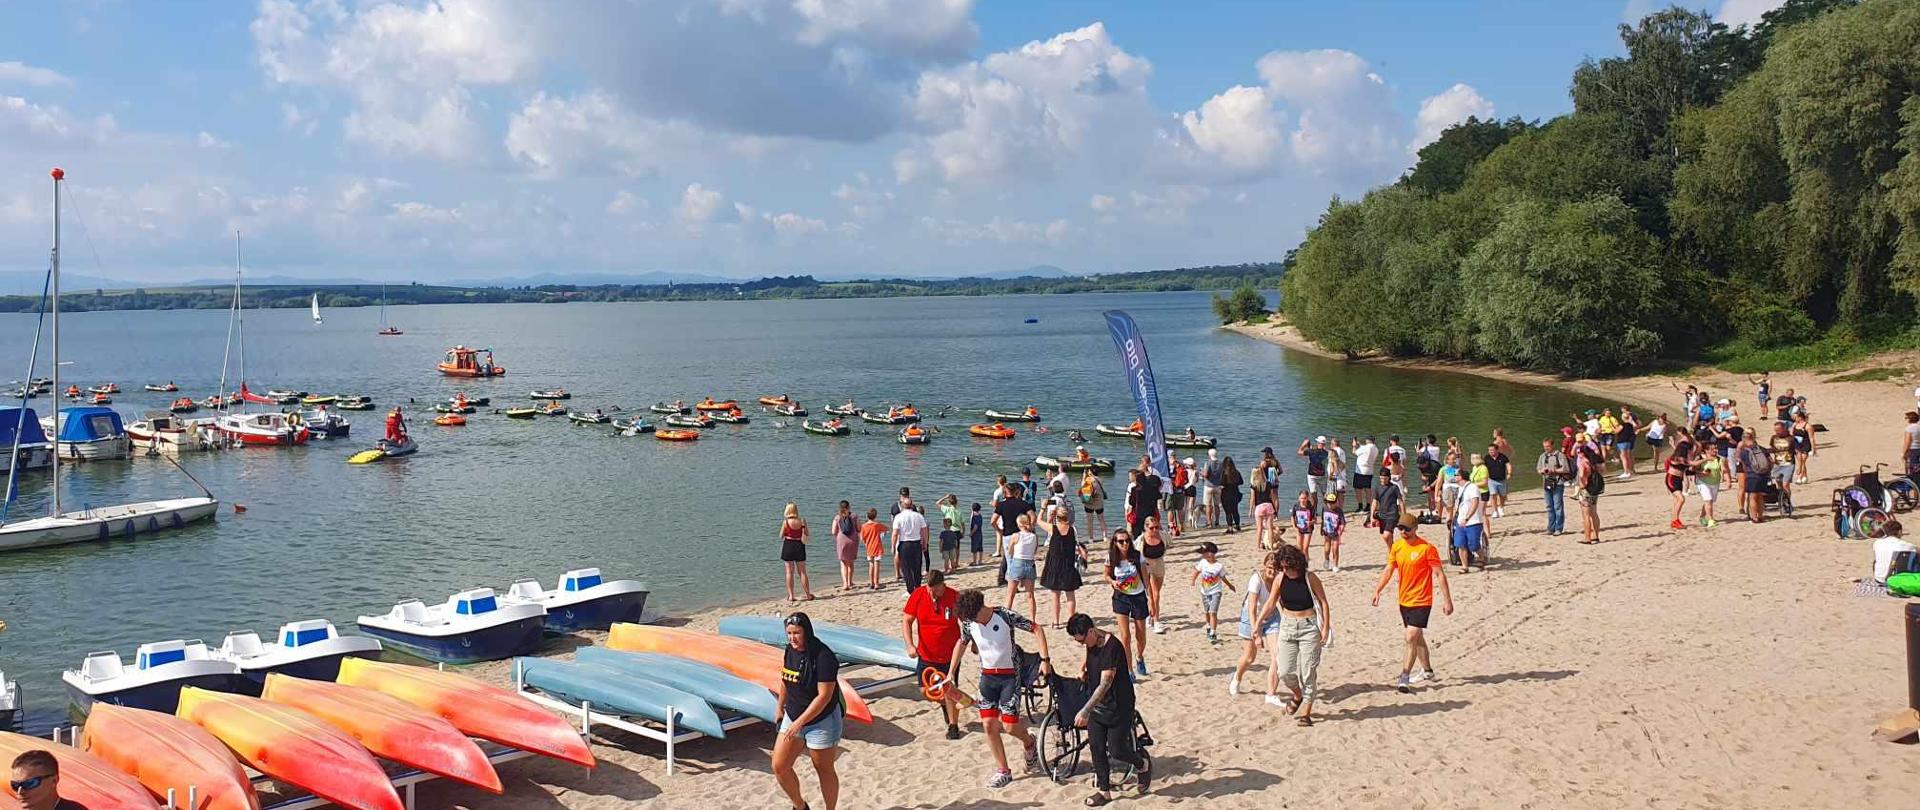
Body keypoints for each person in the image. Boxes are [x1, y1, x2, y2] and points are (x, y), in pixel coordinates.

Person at [946, 589, 1051, 789]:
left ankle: (1029, 742)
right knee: (988, 725)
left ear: (979, 610)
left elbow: (1037, 629)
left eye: (971, 618)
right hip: (987, 677)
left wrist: (1045, 660)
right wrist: (951, 672)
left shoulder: (1004, 615)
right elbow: (962, 643)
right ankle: (1003, 770)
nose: (970, 622)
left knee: (1010, 726)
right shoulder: (969, 623)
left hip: (1010, 677)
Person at [1066, 613, 1150, 806]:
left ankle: (1142, 764)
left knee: (1117, 749)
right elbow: (1090, 656)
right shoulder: (1091, 641)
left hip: (1119, 706)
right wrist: (1083, 668)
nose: (1082, 644)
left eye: (1082, 640)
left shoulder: (1112, 647)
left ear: (1091, 631)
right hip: (1099, 706)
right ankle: (1104, 792)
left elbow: (1105, 684)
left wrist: (1085, 711)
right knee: (1096, 747)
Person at [1371, 518, 1454, 692]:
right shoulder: (1397, 547)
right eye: (1400, 528)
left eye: (1407, 529)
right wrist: (1378, 590)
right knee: (1417, 638)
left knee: (1410, 638)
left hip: (1422, 600)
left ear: (1415, 528)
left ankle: (1404, 676)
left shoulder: (1427, 548)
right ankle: (1428, 670)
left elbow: (1439, 574)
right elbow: (1389, 569)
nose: (1403, 532)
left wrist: (1447, 600)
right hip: (1404, 600)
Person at [773, 613, 844, 810]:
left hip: (822, 721)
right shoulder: (790, 650)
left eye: (797, 633)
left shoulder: (824, 657)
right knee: (779, 766)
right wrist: (780, 707)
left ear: (806, 632)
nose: (792, 638)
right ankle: (800, 806)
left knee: (823, 769)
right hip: (794, 715)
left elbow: (824, 696)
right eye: (789, 633)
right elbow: (786, 678)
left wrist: (800, 722)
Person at [1255, 544, 1331, 725]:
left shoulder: (1310, 577)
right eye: (1283, 567)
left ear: (1297, 564)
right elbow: (1271, 603)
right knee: (1285, 671)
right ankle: (1298, 695)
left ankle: (1306, 712)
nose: (1287, 571)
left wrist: (1326, 627)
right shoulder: (1280, 578)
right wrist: (1257, 624)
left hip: (1309, 627)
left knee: (1307, 672)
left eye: (1289, 567)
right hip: (1288, 626)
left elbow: (1323, 602)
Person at [902, 571, 964, 740]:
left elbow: (966, 622)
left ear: (942, 585)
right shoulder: (918, 595)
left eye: (935, 591)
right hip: (926, 653)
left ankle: (953, 726)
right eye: (930, 591)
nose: (932, 594)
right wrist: (909, 644)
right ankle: (944, 703)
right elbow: (907, 621)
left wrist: (973, 644)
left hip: (950, 654)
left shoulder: (953, 596)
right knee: (925, 690)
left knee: (949, 688)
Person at [1228, 551, 1281, 697]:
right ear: (1265, 566)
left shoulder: (1280, 579)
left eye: (1276, 568)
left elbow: (1283, 601)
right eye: (1270, 567)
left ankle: (1271, 694)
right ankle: (1236, 677)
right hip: (1251, 616)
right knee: (1250, 657)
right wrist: (1256, 632)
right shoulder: (1256, 579)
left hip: (1271, 616)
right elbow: (1251, 608)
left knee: (1277, 655)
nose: (1272, 571)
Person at [1106, 530, 1150, 677]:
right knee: (1125, 636)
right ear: (1115, 543)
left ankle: (1139, 657)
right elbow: (1106, 574)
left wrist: (1151, 599)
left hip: (1138, 597)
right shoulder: (1111, 558)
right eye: (1121, 541)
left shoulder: (1137, 556)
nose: (1125, 544)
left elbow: (1146, 578)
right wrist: (1112, 582)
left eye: (1127, 541)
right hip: (1121, 598)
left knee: (1141, 635)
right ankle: (1129, 670)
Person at [1040, 506, 1085, 628]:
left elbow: (1038, 521)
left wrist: (1043, 508)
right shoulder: (1072, 529)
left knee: (1055, 595)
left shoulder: (1053, 528)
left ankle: (1056, 621)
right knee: (1070, 595)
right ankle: (1072, 620)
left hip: (1055, 565)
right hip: (1068, 565)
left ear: (1057, 517)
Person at [1190, 541, 1232, 644]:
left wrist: (1230, 585)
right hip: (1204, 592)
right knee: (1207, 611)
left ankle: (1213, 632)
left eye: (1203, 553)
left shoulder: (1219, 566)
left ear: (1210, 553)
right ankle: (1208, 625)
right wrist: (1193, 580)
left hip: (1216, 591)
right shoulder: (1202, 563)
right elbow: (1196, 572)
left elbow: (1223, 577)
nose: (1202, 555)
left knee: (1213, 612)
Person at [1003, 512, 1041, 618]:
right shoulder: (1034, 536)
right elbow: (1034, 551)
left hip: (1018, 563)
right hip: (1030, 564)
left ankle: (1006, 616)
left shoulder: (1016, 536)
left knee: (1010, 594)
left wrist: (1011, 548)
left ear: (1019, 524)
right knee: (1030, 595)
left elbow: (1010, 551)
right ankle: (1033, 619)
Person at [1451, 467, 1487, 572]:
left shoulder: (1472, 488)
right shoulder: (1460, 489)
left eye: (1456, 475)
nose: (1454, 477)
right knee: (1460, 544)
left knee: (1474, 545)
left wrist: (1467, 517)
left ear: (1461, 477)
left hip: (1473, 521)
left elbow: (1474, 503)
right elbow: (1458, 505)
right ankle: (1464, 566)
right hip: (1460, 521)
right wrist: (1454, 518)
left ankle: (1481, 557)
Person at [893, 499, 930, 593]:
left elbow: (895, 533)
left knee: (906, 568)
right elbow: (924, 530)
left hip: (904, 543)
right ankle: (917, 587)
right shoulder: (918, 516)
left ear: (902, 505)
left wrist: (893, 546)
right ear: (911, 505)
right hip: (916, 543)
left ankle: (910, 589)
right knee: (917, 567)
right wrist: (925, 542)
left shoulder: (898, 517)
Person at [779, 503, 815, 602]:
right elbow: (807, 533)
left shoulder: (785, 522)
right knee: (802, 572)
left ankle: (791, 596)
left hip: (788, 545)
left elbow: (781, 536)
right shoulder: (802, 521)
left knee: (789, 572)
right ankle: (808, 594)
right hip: (799, 545)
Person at [1537, 437, 1571, 537]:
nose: (1546, 448)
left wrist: (1553, 471)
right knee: (1549, 507)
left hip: (1558, 483)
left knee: (1558, 506)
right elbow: (1538, 469)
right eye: (1544, 447)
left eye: (1548, 446)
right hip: (1547, 483)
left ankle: (1558, 528)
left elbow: (1566, 469)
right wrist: (1542, 471)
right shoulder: (1542, 456)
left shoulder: (1560, 455)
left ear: (1552, 445)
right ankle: (1550, 528)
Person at [1736, 432, 1772, 524]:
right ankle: (1760, 516)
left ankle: (1754, 517)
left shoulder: (1744, 452)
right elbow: (1771, 461)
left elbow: (1743, 466)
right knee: (1760, 496)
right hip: (1763, 475)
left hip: (1752, 475)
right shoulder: (1762, 449)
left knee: (1752, 497)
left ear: (1744, 440)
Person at [1574, 439, 1604, 545]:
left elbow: (1582, 474)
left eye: (1579, 453)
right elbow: (1602, 471)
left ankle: (1587, 537)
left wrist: (1581, 483)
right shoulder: (1594, 463)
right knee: (1594, 513)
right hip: (1594, 489)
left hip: (1586, 490)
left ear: (1582, 453)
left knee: (1585, 515)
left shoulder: (1583, 463)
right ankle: (1596, 536)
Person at [1767, 421, 1797, 516]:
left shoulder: (1791, 439)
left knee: (1786, 485)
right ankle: (1782, 501)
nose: (1777, 432)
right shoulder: (1774, 438)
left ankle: (1788, 502)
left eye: (1779, 430)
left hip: (1789, 464)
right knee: (1779, 485)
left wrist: (1800, 466)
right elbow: (1772, 448)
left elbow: (1798, 452)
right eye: (1775, 430)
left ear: (1784, 429)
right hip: (1777, 464)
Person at [1664, 445, 1694, 531]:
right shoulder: (1677, 458)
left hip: (1678, 479)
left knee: (1676, 501)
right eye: (1689, 450)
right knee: (1681, 499)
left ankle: (1674, 520)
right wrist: (1706, 459)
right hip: (1671, 478)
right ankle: (1675, 520)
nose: (1690, 452)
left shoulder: (1684, 458)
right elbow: (1692, 463)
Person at [1128, 465, 1162, 537]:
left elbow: (1131, 502)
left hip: (1138, 513)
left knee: (1137, 531)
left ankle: (1138, 544)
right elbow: (1158, 496)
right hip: (1151, 511)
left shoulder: (1134, 489)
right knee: (1150, 530)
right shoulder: (1151, 488)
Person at [1370, 472, 1403, 545]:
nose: (1383, 480)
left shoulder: (1394, 487)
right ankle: (1392, 552)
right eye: (1381, 478)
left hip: (1392, 515)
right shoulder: (1377, 488)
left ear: (1389, 477)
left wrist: (1404, 515)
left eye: (1385, 478)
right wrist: (1371, 517)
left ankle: (1392, 552)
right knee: (1386, 537)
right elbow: (1374, 503)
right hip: (1382, 516)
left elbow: (1401, 502)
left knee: (1386, 535)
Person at [832, 501, 859, 591]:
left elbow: (833, 531)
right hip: (853, 540)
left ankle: (845, 584)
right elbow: (859, 528)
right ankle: (850, 582)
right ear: (849, 507)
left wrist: (837, 536)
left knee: (843, 563)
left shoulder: (837, 517)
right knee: (850, 563)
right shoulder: (854, 516)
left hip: (841, 540)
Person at [859, 509, 888, 590]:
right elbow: (886, 529)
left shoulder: (864, 526)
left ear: (866, 516)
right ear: (875, 516)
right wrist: (881, 533)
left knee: (871, 565)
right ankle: (876, 583)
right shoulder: (876, 525)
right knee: (877, 565)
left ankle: (871, 583)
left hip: (869, 547)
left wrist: (866, 542)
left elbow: (862, 538)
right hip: (877, 547)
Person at [1695, 446, 1723, 527]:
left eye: (1716, 448)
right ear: (1706, 451)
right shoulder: (1700, 458)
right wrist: (1702, 473)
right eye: (1712, 449)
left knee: (1709, 501)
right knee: (1709, 500)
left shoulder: (1718, 459)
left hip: (1715, 482)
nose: (1715, 450)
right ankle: (1711, 520)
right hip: (1702, 482)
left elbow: (1724, 470)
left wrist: (1728, 480)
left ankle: (1702, 517)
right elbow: (1692, 469)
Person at [1320, 490, 1347, 572]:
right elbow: (1322, 519)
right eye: (1329, 502)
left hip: (1335, 532)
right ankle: (1326, 559)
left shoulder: (1339, 511)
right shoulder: (1324, 509)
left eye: (1332, 502)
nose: (1330, 504)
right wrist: (1321, 528)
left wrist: (1340, 532)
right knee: (1326, 549)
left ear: (1336, 502)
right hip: (1326, 532)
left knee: (1335, 549)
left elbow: (1342, 523)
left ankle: (1335, 565)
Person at [1080, 469, 1108, 541]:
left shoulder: (1088, 479)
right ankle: (1105, 537)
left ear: (1091, 472)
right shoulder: (1100, 479)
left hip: (1089, 503)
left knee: (1090, 521)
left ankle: (1091, 538)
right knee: (1101, 520)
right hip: (1099, 503)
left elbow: (1082, 486)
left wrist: (1084, 476)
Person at [1483, 444, 1511, 518]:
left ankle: (1501, 508)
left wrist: (1509, 473)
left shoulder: (1502, 457)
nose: (1490, 451)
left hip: (1502, 479)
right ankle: (1494, 511)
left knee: (1503, 495)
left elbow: (1508, 465)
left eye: (1492, 450)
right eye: (1489, 450)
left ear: (1496, 450)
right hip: (1491, 480)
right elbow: (1484, 468)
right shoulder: (1486, 458)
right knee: (1493, 495)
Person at [1352, 436, 1378, 513]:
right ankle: (1368, 505)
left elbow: (1354, 452)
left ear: (1367, 440)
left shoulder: (1365, 448)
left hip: (1360, 471)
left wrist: (1354, 446)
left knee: (1358, 488)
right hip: (1369, 471)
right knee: (1367, 488)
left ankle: (1360, 506)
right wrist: (1359, 445)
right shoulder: (1375, 448)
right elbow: (1365, 449)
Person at [1219, 456, 1244, 532]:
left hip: (1226, 492)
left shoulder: (1224, 473)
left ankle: (1230, 527)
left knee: (1228, 511)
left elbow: (1222, 483)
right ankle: (1237, 525)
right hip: (1235, 492)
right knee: (1235, 510)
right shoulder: (1237, 472)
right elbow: (1241, 482)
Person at [1289, 490, 1315, 560]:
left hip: (1308, 529)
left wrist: (1311, 522)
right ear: (1299, 498)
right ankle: (1301, 564)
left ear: (1307, 498)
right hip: (1299, 529)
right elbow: (1292, 517)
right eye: (1301, 498)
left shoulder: (1311, 507)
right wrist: (1294, 527)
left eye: (1304, 498)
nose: (1303, 500)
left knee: (1305, 548)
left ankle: (1306, 564)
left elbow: (1315, 519)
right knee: (1299, 548)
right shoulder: (1296, 506)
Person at [1790, 411, 1815, 484]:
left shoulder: (1808, 426)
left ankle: (1799, 477)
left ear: (1800, 417)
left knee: (1803, 461)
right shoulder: (1794, 425)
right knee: (1800, 461)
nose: (1794, 418)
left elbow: (1811, 438)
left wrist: (1813, 449)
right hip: (1797, 445)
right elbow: (1791, 434)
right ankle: (1805, 476)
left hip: (1805, 445)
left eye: (1796, 417)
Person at [1201, 448, 1222, 528]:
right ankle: (1217, 521)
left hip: (1209, 485)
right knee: (1217, 505)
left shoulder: (1208, 463)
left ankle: (1209, 522)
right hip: (1218, 485)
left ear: (1210, 455)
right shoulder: (1221, 463)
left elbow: (1206, 474)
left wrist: (1202, 473)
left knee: (1208, 505)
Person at [1903, 411, 1920, 477]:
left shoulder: (1909, 428)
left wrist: (1904, 453)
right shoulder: (1919, 427)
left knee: (1913, 469)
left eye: (1907, 418)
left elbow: (1907, 442)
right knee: (1918, 468)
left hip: (1913, 450)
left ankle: (1914, 484)